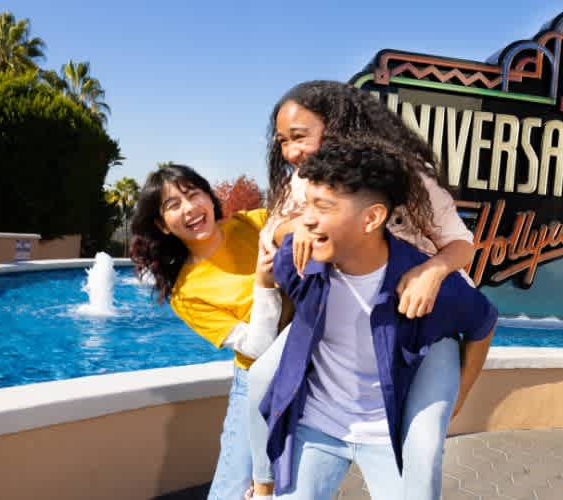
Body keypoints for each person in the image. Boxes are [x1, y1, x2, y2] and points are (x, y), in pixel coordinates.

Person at [246, 80, 480, 499]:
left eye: (299, 137)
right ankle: (263, 484)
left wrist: (432, 271)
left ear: (336, 127)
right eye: (282, 141)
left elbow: (462, 244)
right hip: (344, 306)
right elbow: (272, 231)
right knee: (263, 377)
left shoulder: (403, 177)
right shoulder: (305, 182)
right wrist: (295, 224)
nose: (289, 152)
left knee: (422, 450)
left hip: (421, 313)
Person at [129, 164, 288, 500]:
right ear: (162, 225)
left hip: (312, 367)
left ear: (209, 198)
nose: (188, 208)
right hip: (257, 382)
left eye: (192, 194)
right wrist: (264, 283)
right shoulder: (186, 291)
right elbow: (258, 347)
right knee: (233, 487)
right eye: (173, 205)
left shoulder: (250, 223)